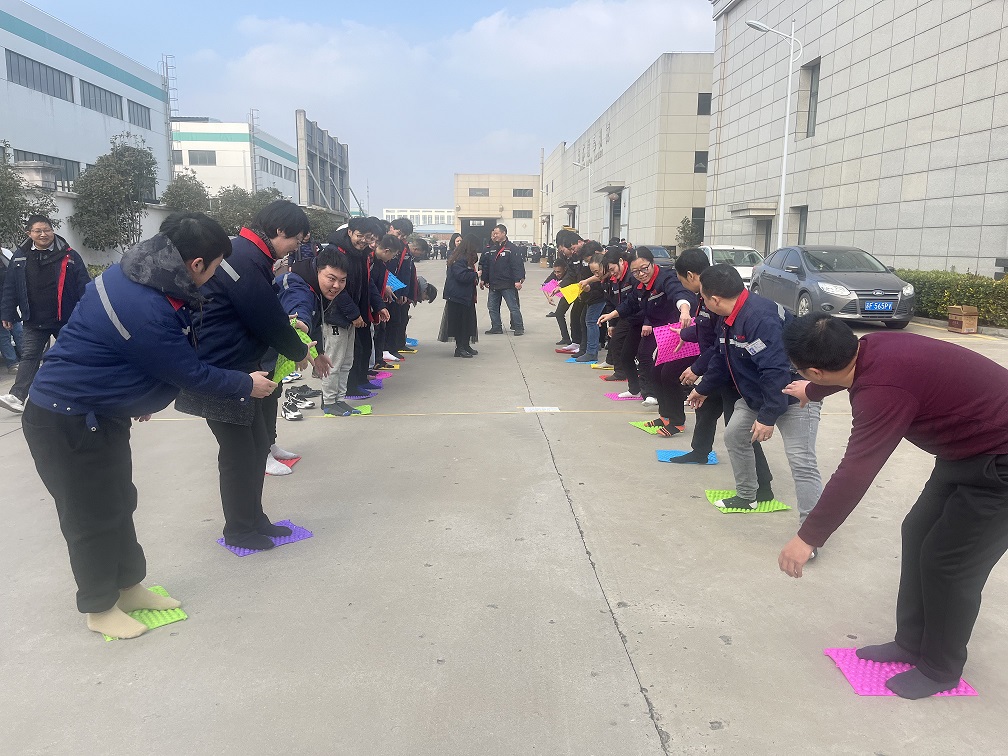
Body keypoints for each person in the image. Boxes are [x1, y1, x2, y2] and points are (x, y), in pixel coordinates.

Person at [21, 212, 278, 639]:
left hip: (99, 414)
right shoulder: (145, 306)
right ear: (196, 263)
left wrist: (136, 396)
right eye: (215, 267)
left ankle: (129, 587)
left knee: (120, 502)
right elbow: (187, 372)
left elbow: (123, 352)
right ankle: (99, 606)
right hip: (65, 420)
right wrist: (244, 384)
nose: (215, 276)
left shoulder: (137, 273)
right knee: (89, 516)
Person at [779, 315, 1008, 699]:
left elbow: (857, 469)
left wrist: (808, 537)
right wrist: (813, 391)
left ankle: (940, 669)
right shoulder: (872, 347)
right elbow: (849, 373)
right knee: (917, 531)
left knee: (949, 563)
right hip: (967, 450)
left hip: (1000, 464)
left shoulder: (881, 393)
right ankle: (911, 643)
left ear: (815, 369)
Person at [196, 200, 330, 551]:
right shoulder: (243, 258)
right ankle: (239, 529)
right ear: (279, 230)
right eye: (295, 239)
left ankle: (254, 518)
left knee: (256, 447)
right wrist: (300, 351)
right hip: (225, 369)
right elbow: (266, 318)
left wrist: (290, 330)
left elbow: (262, 313)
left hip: (242, 366)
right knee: (239, 455)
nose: (295, 248)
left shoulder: (249, 255)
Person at [686, 264, 821, 519]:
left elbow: (775, 371)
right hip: (758, 393)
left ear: (715, 299)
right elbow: (722, 356)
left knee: (801, 462)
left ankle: (812, 527)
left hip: (795, 394)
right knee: (735, 435)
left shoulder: (759, 318)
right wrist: (703, 388)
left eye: (702, 296)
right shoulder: (728, 317)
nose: (702, 302)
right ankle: (747, 496)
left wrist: (768, 417)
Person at [668, 250, 775, 501]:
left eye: (681, 280)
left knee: (738, 430)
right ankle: (700, 451)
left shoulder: (718, 298)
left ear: (691, 275)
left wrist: (697, 369)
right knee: (704, 408)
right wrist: (685, 335)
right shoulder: (705, 297)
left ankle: (763, 486)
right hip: (717, 366)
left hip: (730, 371)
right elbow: (706, 332)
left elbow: (721, 344)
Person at [0, 215, 89, 414]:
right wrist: (7, 312)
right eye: (38, 231)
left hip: (65, 318)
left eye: (47, 230)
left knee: (73, 355)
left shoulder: (69, 255)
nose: (43, 234)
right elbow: (10, 286)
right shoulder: (20, 257)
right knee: (29, 356)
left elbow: (84, 285)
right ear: (29, 233)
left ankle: (81, 393)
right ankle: (17, 396)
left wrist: (87, 312)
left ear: (52, 230)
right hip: (34, 319)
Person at [599, 247, 694, 418]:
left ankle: (675, 418)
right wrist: (611, 315)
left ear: (652, 263)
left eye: (644, 268)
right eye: (635, 271)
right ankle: (665, 415)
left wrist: (685, 310)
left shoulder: (665, 277)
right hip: (660, 329)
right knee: (655, 370)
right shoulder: (639, 285)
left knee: (666, 374)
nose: (641, 274)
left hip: (677, 329)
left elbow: (678, 292)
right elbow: (630, 303)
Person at [274, 245, 354, 418]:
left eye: (342, 280)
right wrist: (302, 322)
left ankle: (269, 444)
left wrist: (319, 353)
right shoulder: (297, 285)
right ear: (318, 270)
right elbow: (299, 306)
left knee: (271, 397)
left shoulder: (314, 285)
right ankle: (329, 402)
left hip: (271, 358)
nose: (337, 285)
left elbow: (315, 319)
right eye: (331, 278)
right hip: (255, 362)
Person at [327, 217, 390, 396]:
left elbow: (367, 282)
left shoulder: (360, 253)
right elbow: (336, 289)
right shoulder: (335, 253)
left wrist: (379, 305)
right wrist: (353, 314)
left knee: (360, 349)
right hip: (338, 313)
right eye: (360, 235)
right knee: (337, 360)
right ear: (350, 232)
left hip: (358, 311)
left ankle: (357, 382)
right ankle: (335, 397)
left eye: (368, 237)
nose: (364, 241)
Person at [439, 234, 481, 357]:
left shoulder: (465, 257)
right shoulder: (459, 258)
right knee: (460, 323)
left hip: (465, 295)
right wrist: (475, 274)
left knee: (468, 321)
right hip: (458, 295)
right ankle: (460, 347)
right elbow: (461, 276)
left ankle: (466, 344)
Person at [480, 224, 525, 336]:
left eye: (497, 233)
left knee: (513, 307)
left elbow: (517, 265)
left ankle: (519, 327)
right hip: (494, 284)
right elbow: (487, 265)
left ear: (504, 233)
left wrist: (518, 280)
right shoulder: (491, 249)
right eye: (494, 234)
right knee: (492, 307)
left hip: (507, 284)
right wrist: (484, 279)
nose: (494, 235)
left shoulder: (511, 248)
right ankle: (496, 327)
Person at [600, 246, 634, 382]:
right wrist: (612, 324)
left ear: (620, 261)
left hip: (635, 315)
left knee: (620, 342)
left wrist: (614, 315)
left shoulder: (631, 276)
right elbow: (611, 303)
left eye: (612, 269)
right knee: (617, 341)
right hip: (624, 314)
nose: (612, 273)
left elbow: (631, 301)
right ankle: (622, 372)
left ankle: (625, 374)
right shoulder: (613, 280)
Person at [576, 244, 607, 363]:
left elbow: (600, 277)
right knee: (588, 320)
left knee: (591, 321)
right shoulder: (595, 266)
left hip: (599, 298)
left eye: (596, 271)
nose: (596, 275)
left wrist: (588, 281)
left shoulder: (609, 262)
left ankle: (592, 352)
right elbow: (598, 279)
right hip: (595, 296)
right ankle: (591, 350)